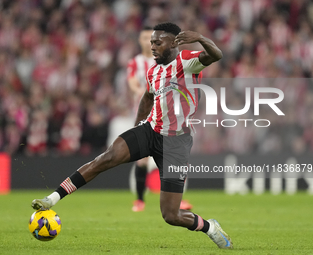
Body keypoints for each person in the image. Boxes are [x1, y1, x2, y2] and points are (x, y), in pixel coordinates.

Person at [32, 22, 233, 249]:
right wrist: (137, 129)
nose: (153, 47)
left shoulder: (188, 61)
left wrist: (200, 37)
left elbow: (217, 54)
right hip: (151, 130)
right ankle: (52, 199)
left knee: (171, 215)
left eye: (158, 42)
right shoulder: (153, 71)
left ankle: (209, 227)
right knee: (105, 158)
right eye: (151, 43)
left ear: (174, 42)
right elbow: (147, 98)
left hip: (176, 144)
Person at [127, 26, 192, 212]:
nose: (150, 41)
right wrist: (142, 91)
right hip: (147, 113)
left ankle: (177, 200)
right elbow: (132, 82)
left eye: (152, 37)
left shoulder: (168, 59)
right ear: (141, 41)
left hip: (169, 115)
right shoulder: (136, 62)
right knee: (143, 159)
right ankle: (140, 200)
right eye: (145, 37)